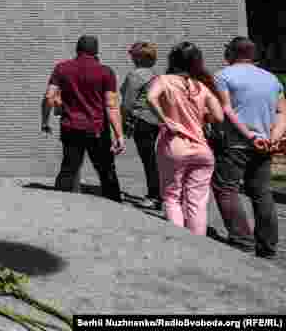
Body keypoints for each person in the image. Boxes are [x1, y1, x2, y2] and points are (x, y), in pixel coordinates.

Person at [210, 37, 285, 258]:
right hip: (264, 144)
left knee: (226, 188)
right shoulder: (271, 78)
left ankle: (242, 240)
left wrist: (249, 136)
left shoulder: (223, 76)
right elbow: (282, 112)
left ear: (231, 54)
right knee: (261, 192)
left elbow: (226, 109)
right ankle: (268, 246)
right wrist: (273, 137)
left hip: (234, 144)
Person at [145, 42, 224, 236]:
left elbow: (150, 98)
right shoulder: (201, 87)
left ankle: (179, 242)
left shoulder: (163, 80)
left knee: (172, 197)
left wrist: (166, 120)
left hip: (174, 145)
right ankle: (198, 243)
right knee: (197, 201)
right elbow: (219, 116)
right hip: (201, 149)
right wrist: (203, 117)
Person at [42, 35, 125, 202]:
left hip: (70, 127)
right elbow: (111, 106)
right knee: (106, 171)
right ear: (96, 52)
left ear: (77, 49)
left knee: (68, 168)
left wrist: (44, 121)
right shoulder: (106, 72)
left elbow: (49, 97)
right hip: (97, 129)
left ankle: (58, 206)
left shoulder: (62, 68)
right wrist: (119, 135)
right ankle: (116, 206)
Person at [121, 42, 162, 209]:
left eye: (133, 54)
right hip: (155, 121)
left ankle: (154, 196)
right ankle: (158, 194)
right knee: (154, 159)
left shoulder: (135, 75)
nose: (130, 56)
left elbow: (127, 103)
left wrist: (122, 122)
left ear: (139, 57)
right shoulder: (155, 75)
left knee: (149, 160)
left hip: (141, 121)